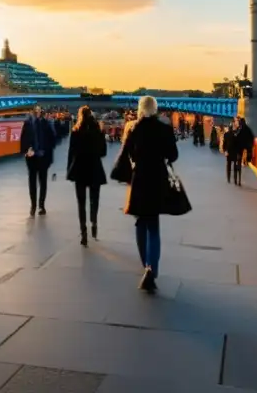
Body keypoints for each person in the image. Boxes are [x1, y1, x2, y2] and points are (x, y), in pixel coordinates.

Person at [117, 95, 178, 294]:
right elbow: (173, 155)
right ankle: (152, 268)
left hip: (139, 179)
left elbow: (127, 154)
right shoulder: (165, 128)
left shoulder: (134, 129)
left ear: (140, 109)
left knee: (140, 222)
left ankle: (146, 265)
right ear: (156, 109)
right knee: (154, 226)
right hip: (158, 180)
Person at [66, 105, 107, 246]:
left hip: (79, 170)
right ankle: (94, 222)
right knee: (94, 200)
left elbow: (71, 153)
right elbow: (103, 153)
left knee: (81, 203)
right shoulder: (98, 131)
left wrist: (69, 170)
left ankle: (83, 233)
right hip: (95, 169)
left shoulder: (76, 131)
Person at [20, 105, 55, 216]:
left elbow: (52, 140)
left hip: (43, 157)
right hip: (31, 157)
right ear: (32, 112)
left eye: (39, 110)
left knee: (43, 181)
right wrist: (27, 149)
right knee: (32, 182)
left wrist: (47, 151)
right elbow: (23, 139)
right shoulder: (27, 124)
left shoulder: (46, 123)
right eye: (35, 111)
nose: (37, 112)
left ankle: (41, 205)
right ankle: (33, 205)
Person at [227, 116, 255, 186]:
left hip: (239, 148)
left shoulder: (240, 129)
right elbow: (252, 137)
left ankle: (236, 174)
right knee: (240, 160)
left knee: (237, 160)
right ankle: (239, 178)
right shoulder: (248, 129)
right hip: (245, 147)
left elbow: (236, 137)